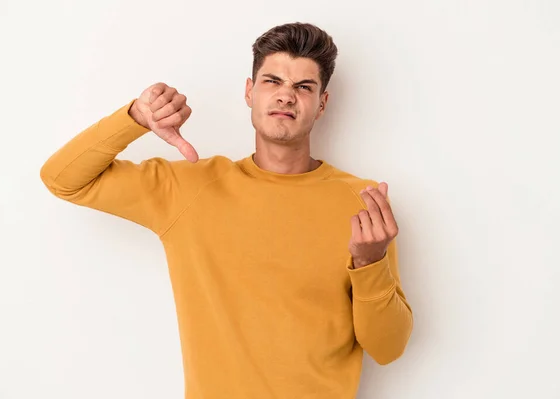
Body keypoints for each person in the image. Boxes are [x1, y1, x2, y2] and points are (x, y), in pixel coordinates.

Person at [40, 22, 413, 399]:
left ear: (322, 104)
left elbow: (388, 349)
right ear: (249, 92)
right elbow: (62, 179)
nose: (286, 96)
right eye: (272, 81)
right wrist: (134, 119)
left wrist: (371, 263)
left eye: (303, 87)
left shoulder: (361, 203)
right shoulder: (189, 189)